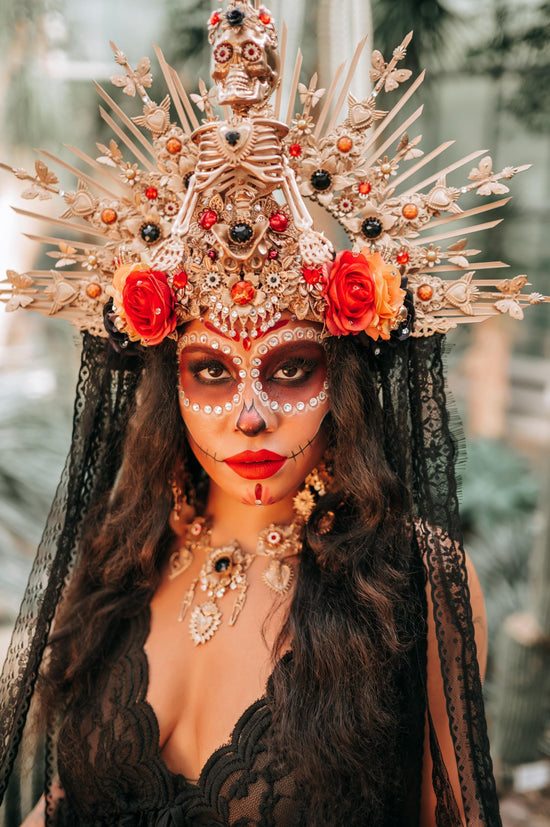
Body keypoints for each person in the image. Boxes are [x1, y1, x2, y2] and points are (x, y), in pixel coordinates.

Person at [0, 1, 538, 824]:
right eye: (211, 371)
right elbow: (60, 802)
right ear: (164, 382)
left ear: (348, 376)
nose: (249, 415)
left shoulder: (414, 579)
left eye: (291, 369)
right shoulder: (120, 557)